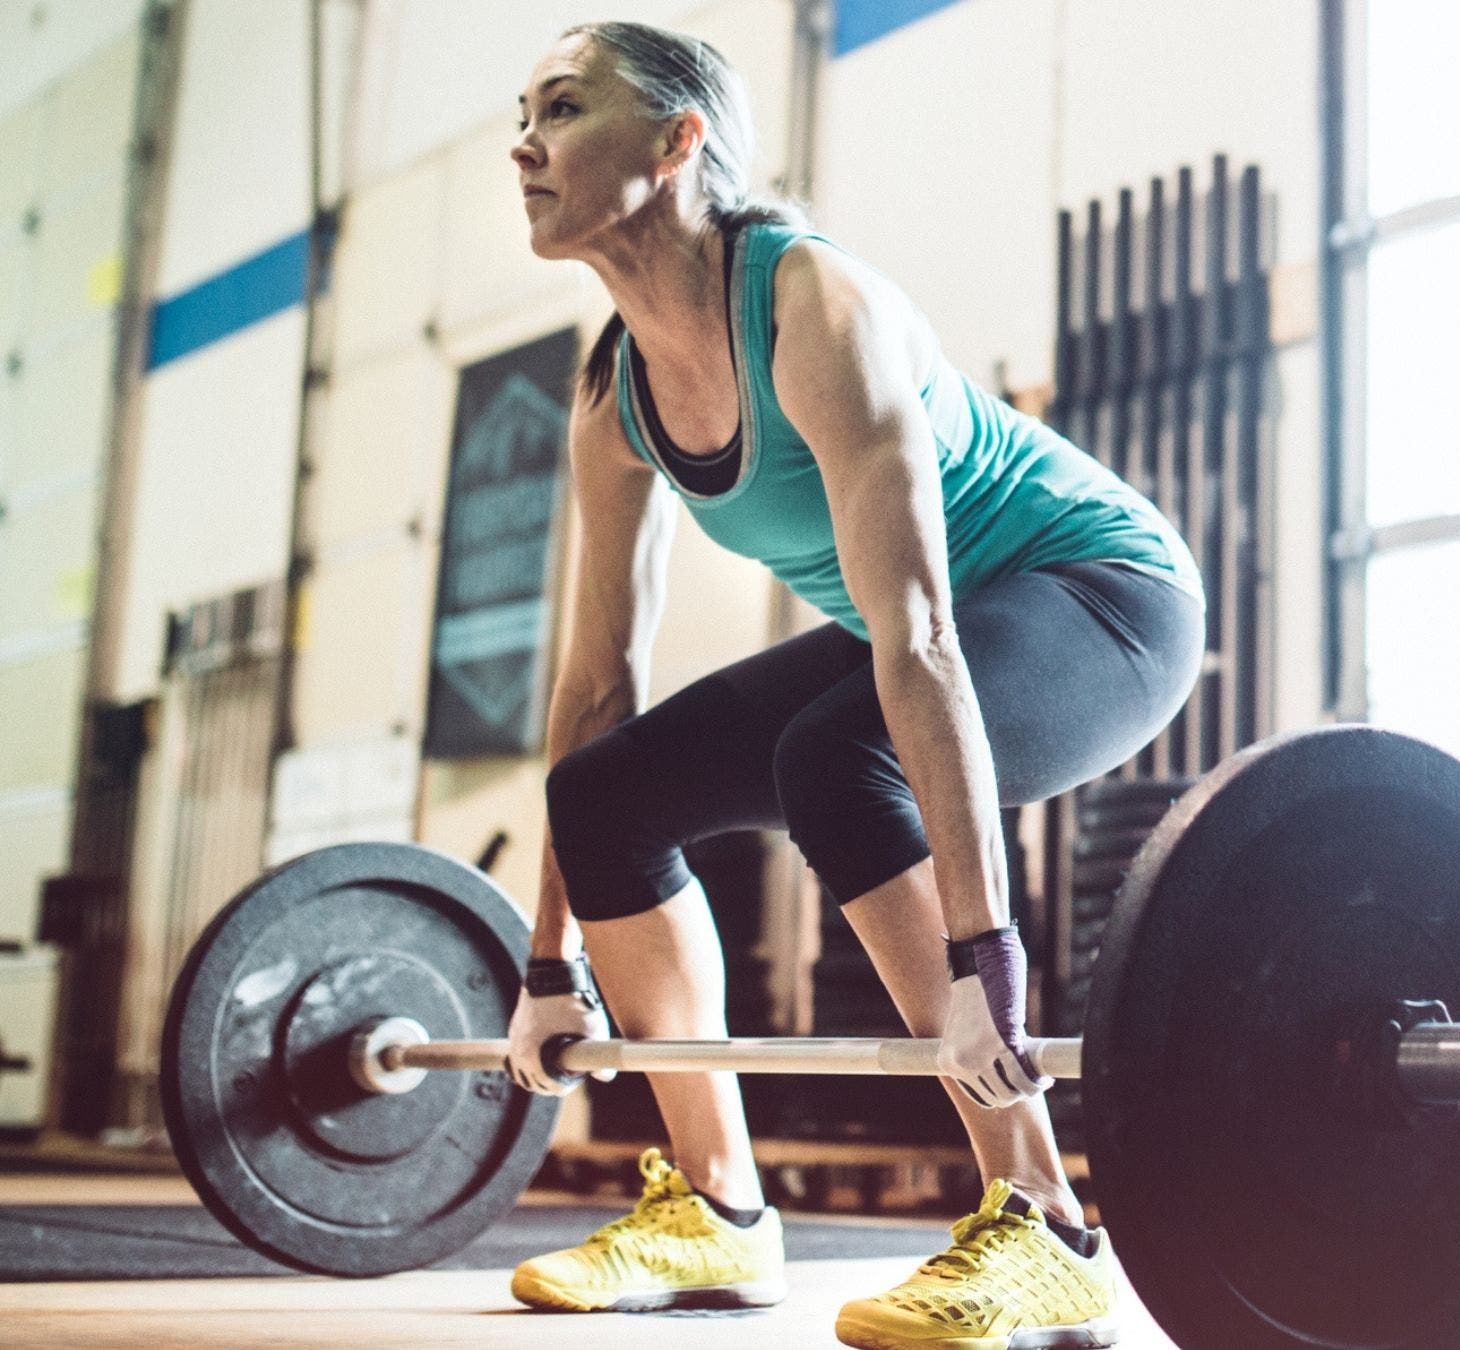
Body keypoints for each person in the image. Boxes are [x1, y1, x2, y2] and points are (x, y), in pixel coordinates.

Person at [498, 21, 1201, 1347]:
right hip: (921, 628)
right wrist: (550, 959)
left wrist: (982, 962)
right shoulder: (615, 398)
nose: (523, 145)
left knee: (834, 753)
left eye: (563, 108)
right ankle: (715, 1210)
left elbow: (923, 632)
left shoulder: (814, 307)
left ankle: (1045, 1217)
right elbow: (595, 684)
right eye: (519, 116)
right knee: (602, 792)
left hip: (1103, 596)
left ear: (676, 141)